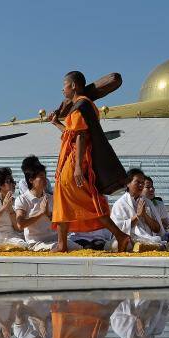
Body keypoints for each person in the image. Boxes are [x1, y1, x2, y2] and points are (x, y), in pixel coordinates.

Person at [49, 71, 131, 253]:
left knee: (89, 200)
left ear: (74, 86)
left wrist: (78, 167)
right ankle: (62, 244)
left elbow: (81, 136)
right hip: (69, 161)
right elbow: (71, 134)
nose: (62, 89)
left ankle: (120, 235)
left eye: (65, 85)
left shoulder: (81, 106)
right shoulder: (80, 106)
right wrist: (56, 123)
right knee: (61, 198)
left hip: (75, 162)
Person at [15, 156, 76, 251]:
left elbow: (61, 222)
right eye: (41, 176)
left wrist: (48, 215)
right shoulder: (22, 199)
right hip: (36, 243)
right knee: (59, 249)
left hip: (55, 239)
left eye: (45, 176)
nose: (45, 180)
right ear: (31, 180)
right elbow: (20, 225)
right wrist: (41, 213)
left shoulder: (51, 198)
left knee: (77, 247)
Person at [110, 168, 164, 249]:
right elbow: (117, 230)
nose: (141, 185)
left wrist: (145, 215)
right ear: (128, 183)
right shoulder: (120, 204)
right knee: (116, 244)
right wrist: (137, 216)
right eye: (138, 182)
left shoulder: (148, 202)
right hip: (129, 240)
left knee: (157, 241)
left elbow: (157, 229)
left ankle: (146, 246)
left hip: (148, 239)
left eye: (142, 183)